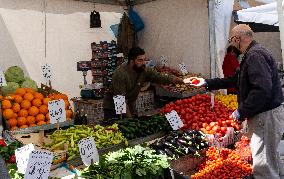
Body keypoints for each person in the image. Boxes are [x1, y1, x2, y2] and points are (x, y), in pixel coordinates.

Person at [189, 24, 284, 178]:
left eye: (231, 40)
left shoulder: (255, 56)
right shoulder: (253, 53)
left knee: (263, 164)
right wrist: (207, 83)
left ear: (237, 38)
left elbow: (261, 90)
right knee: (271, 158)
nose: (231, 44)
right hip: (267, 114)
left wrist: (240, 112)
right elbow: (235, 79)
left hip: (265, 116)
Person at [103, 47, 184, 120]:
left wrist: (176, 80)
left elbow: (158, 76)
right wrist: (130, 119)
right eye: (140, 60)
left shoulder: (143, 70)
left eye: (144, 59)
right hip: (112, 107)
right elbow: (120, 100)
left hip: (130, 104)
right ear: (131, 61)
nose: (144, 63)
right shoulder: (120, 74)